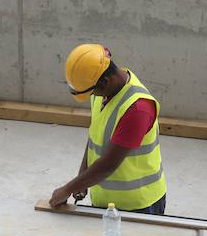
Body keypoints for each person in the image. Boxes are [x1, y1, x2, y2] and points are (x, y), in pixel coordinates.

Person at [49, 44, 167, 214]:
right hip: (107, 204)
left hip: (139, 205)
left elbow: (109, 165)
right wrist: (81, 179)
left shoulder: (137, 109)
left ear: (104, 82)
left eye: (92, 92)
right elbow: (95, 139)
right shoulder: (104, 93)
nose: (92, 96)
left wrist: (67, 189)